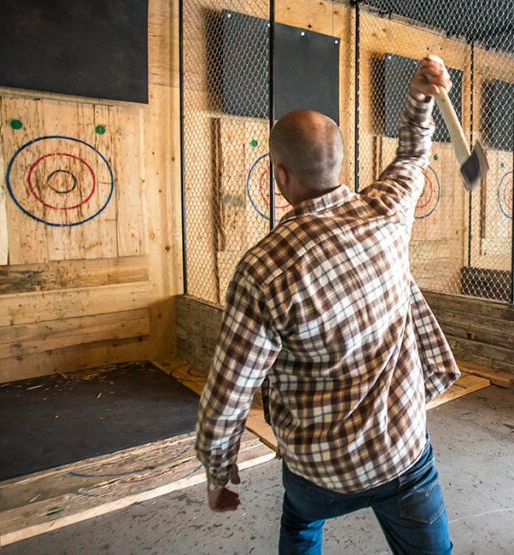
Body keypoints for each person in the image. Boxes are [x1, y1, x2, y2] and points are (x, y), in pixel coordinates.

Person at [195, 56, 460, 555]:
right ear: (339, 164)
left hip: (319, 470)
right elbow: (412, 157)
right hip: (401, 454)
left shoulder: (262, 268)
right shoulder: (386, 213)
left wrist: (218, 472)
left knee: (300, 523)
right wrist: (421, 97)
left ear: (280, 176)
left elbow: (230, 392)